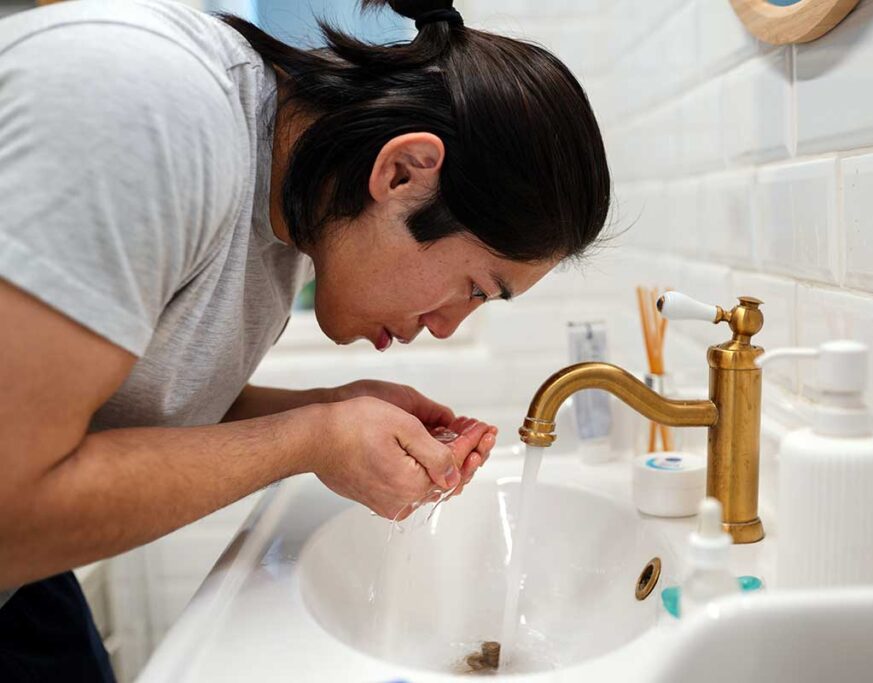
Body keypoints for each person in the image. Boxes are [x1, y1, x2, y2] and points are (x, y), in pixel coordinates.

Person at [0, 0, 610, 679]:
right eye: (476, 286)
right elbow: (10, 508)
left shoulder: (285, 211)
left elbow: (120, 395)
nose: (446, 324)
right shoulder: (146, 109)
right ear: (404, 172)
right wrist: (311, 437)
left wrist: (328, 411)